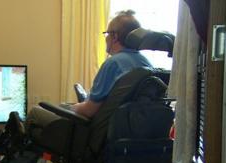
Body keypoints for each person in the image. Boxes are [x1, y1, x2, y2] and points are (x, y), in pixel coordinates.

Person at [24, 10, 152, 138]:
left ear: (115, 37)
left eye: (107, 34)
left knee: (35, 113)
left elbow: (89, 110)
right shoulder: (147, 65)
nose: (106, 38)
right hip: (127, 138)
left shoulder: (113, 63)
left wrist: (70, 108)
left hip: (93, 136)